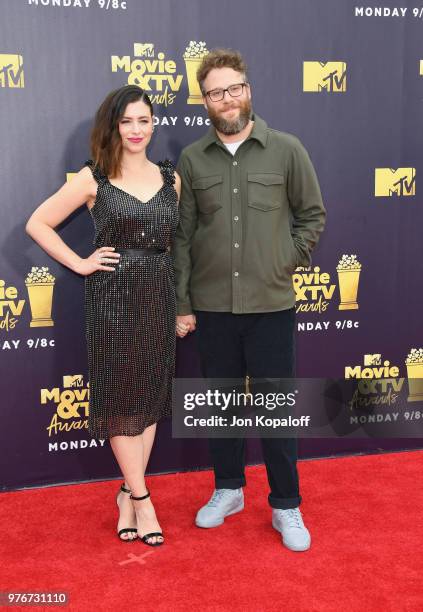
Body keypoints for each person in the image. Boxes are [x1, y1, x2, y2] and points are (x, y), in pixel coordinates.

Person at [173, 49, 326, 552]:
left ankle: (286, 505)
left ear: (248, 89)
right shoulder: (193, 159)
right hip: (212, 305)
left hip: (271, 303)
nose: (226, 98)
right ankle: (228, 489)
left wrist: (286, 259)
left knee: (276, 409)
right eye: (215, 92)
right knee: (221, 407)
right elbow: (182, 235)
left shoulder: (287, 150)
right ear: (205, 101)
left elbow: (312, 216)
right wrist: (182, 303)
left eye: (233, 87)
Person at [26, 85, 180, 546]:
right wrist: (80, 262)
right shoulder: (94, 178)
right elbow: (38, 223)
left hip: (158, 293)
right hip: (111, 298)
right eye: (126, 121)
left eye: (143, 120)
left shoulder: (171, 178)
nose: (136, 130)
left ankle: (126, 497)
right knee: (119, 400)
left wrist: (182, 301)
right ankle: (143, 498)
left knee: (150, 396)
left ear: (153, 125)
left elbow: (178, 243)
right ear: (114, 126)